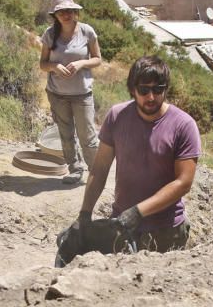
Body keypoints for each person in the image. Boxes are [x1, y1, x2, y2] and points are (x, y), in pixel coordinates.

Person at [74, 55, 201, 252]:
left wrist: (138, 212)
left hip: (166, 231)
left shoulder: (183, 125)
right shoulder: (117, 116)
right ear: (133, 89)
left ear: (166, 89)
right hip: (122, 226)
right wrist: (84, 213)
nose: (151, 97)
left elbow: (183, 182)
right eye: (144, 90)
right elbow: (100, 169)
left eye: (158, 90)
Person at [39, 0, 102, 185]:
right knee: (66, 135)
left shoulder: (87, 31)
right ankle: (75, 169)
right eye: (61, 12)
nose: (66, 15)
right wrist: (55, 67)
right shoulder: (50, 35)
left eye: (69, 11)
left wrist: (81, 64)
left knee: (88, 137)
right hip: (57, 94)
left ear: (75, 12)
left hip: (82, 94)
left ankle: (96, 172)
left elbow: (98, 59)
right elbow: (42, 63)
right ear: (55, 15)